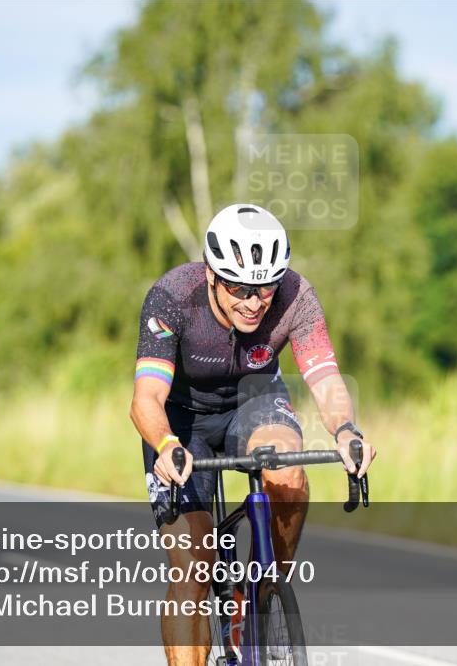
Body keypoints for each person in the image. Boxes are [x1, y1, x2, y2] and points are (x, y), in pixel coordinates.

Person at [130, 203, 376, 665]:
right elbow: (145, 399)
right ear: (211, 275)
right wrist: (166, 445)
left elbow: (325, 379)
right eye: (239, 287)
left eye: (265, 286)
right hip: (181, 420)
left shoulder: (297, 295)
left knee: (288, 476)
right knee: (193, 562)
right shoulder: (171, 298)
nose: (254, 300)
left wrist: (345, 429)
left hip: (255, 399)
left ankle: (265, 593)